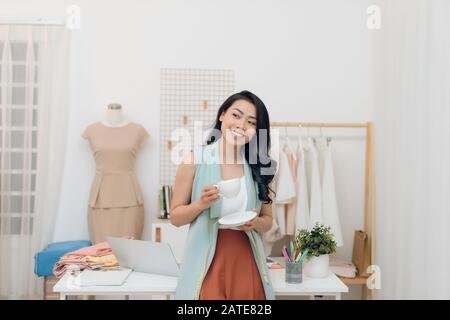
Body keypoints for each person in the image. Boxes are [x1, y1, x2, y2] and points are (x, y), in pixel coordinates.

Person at [171, 90, 277, 300]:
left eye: (251, 122)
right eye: (236, 116)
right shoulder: (194, 160)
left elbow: (268, 221)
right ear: (222, 115)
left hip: (246, 260)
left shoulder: (260, 167)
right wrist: (199, 204)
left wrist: (255, 223)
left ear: (257, 130)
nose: (241, 125)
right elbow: (175, 218)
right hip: (206, 262)